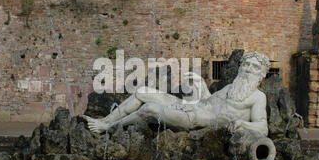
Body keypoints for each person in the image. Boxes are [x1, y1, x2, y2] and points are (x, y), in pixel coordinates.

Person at [85, 52, 271, 137]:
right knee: (142, 92)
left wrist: (241, 124)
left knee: (149, 109)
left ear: (261, 75)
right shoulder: (232, 86)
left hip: (193, 120)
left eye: (254, 67)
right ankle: (105, 120)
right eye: (246, 65)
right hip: (191, 105)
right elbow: (209, 101)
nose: (247, 69)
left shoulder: (257, 97)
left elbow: (262, 128)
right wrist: (200, 84)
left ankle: (108, 128)